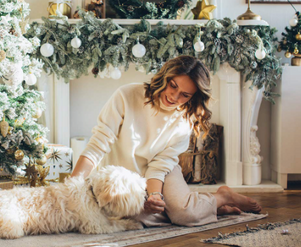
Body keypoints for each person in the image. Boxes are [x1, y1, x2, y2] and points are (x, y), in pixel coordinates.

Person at [71, 56, 261, 227]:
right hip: (125, 176)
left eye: (185, 95)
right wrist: (72, 186)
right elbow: (98, 145)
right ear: (165, 77)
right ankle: (204, 208)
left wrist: (155, 196)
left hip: (161, 173)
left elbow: (159, 166)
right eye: (173, 85)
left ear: (193, 97)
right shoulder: (126, 95)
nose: (174, 97)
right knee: (129, 215)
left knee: (185, 215)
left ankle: (221, 197)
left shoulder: (185, 121)